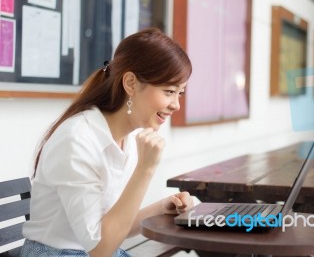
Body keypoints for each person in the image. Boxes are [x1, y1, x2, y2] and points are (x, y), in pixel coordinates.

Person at [21, 28, 194, 257]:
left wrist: (162, 207)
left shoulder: (125, 137)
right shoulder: (77, 140)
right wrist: (146, 168)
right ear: (131, 83)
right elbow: (100, 248)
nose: (176, 105)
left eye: (180, 93)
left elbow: (109, 230)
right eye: (169, 91)